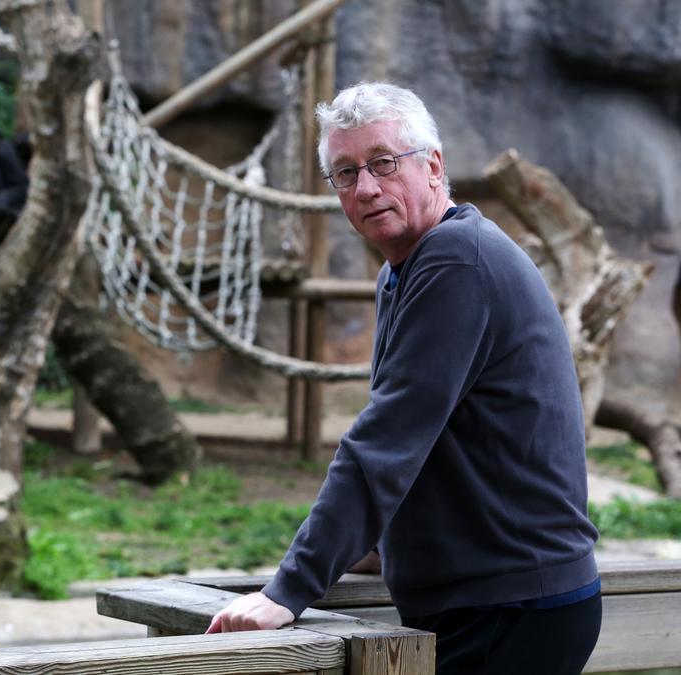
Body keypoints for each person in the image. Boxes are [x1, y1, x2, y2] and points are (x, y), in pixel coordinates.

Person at [206, 82, 602, 674]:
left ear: (434, 165)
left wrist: (287, 591)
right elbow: (432, 439)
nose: (366, 187)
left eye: (383, 163)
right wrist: (374, 546)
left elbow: (384, 444)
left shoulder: (456, 260)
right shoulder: (406, 270)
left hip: (514, 606)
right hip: (492, 598)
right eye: (345, 172)